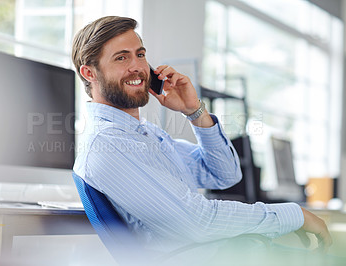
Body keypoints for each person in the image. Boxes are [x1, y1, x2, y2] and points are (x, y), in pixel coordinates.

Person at [71, 16, 332, 264]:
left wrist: (194, 110)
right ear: (89, 73)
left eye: (140, 54)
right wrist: (293, 215)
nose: (137, 66)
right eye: (121, 57)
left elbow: (225, 175)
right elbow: (198, 223)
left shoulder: (146, 135)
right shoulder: (108, 146)